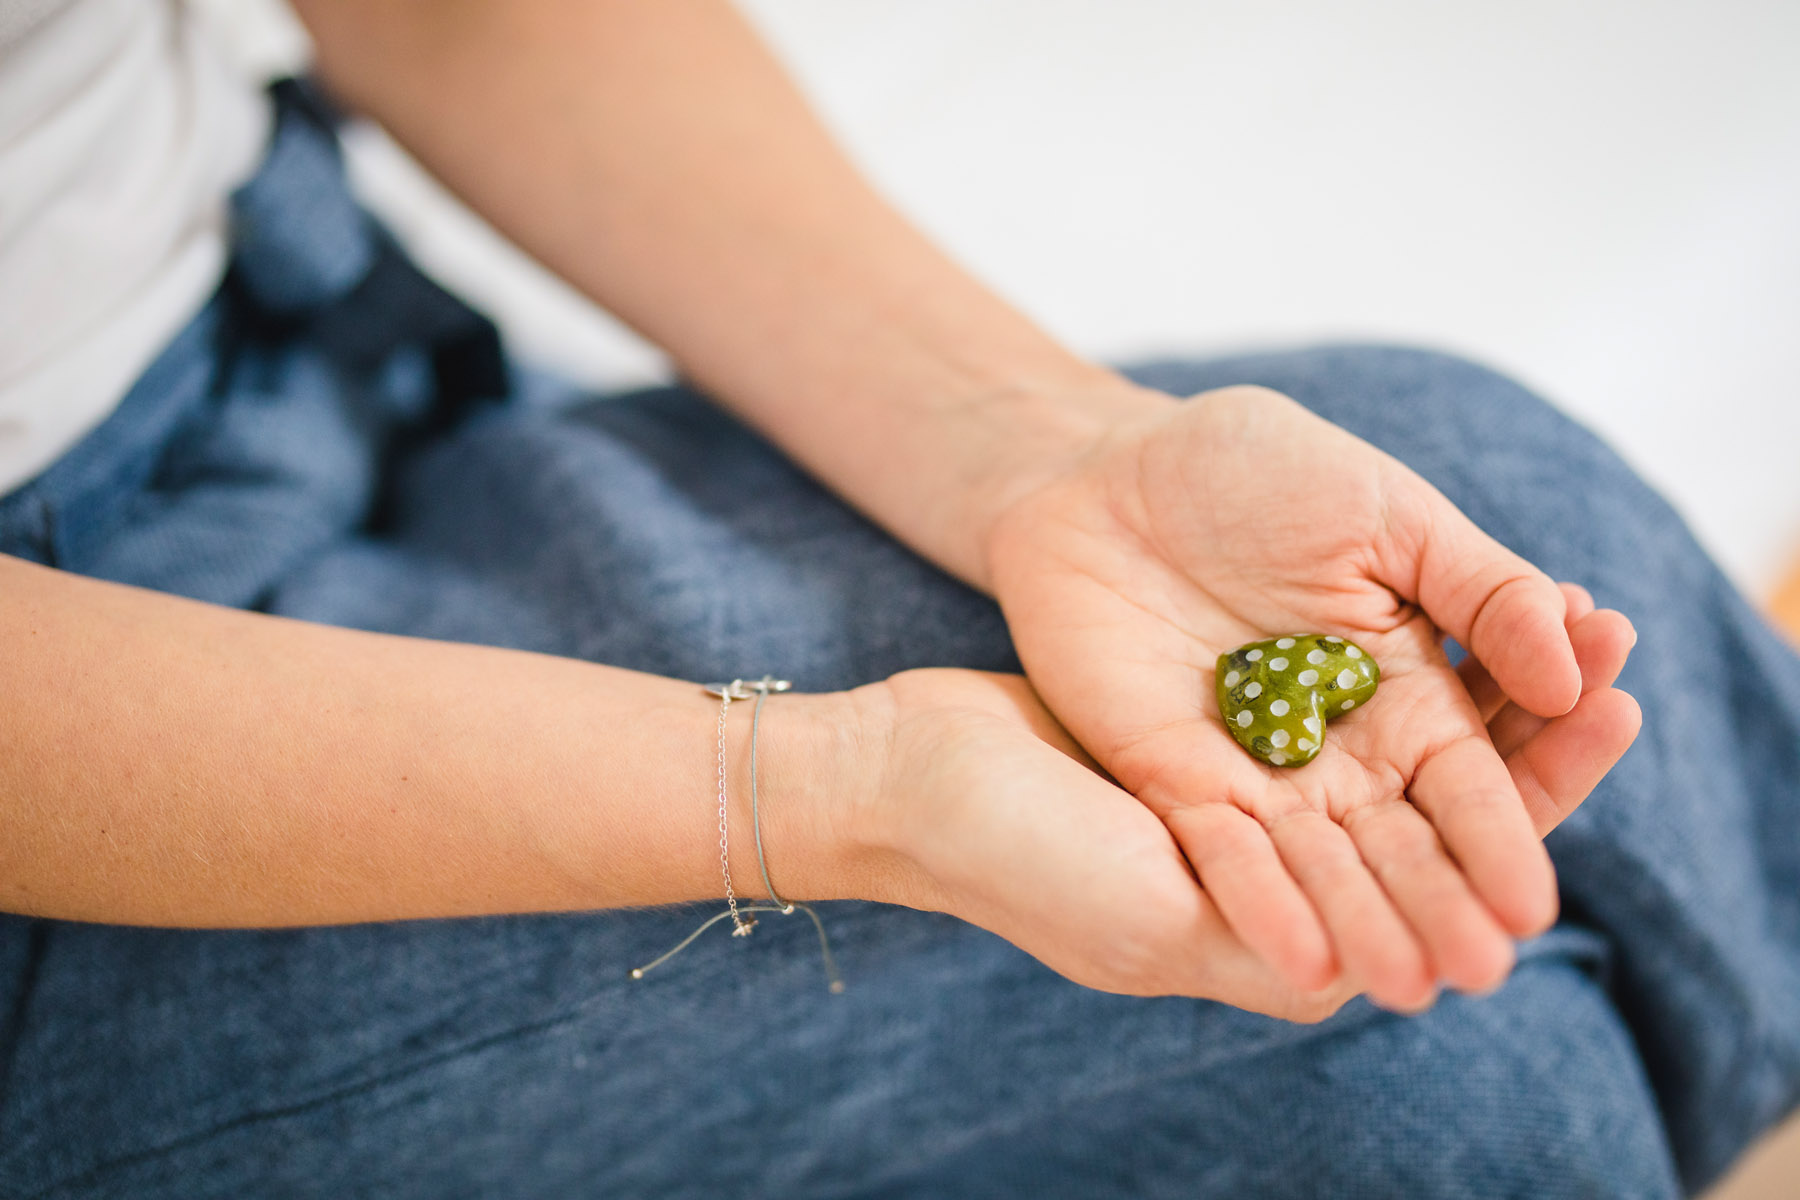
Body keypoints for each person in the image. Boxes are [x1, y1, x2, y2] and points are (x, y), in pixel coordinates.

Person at [1, 2, 1795, 1196]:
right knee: (1475, 1115)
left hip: (299, 322)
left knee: (1516, 496)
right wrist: (851, 797)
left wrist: (1042, 452)